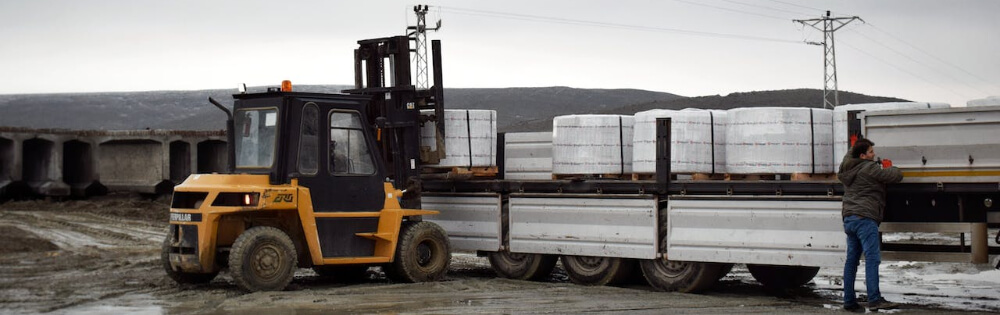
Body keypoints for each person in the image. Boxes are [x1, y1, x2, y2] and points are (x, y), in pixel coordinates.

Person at [837, 138, 903, 312]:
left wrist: (853, 145)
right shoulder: (870, 168)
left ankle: (849, 301)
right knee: (872, 259)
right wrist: (889, 166)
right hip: (865, 218)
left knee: (851, 261)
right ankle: (874, 299)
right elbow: (897, 176)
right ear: (863, 155)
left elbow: (847, 157)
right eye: (871, 152)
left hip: (849, 218)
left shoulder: (847, 168)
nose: (874, 154)